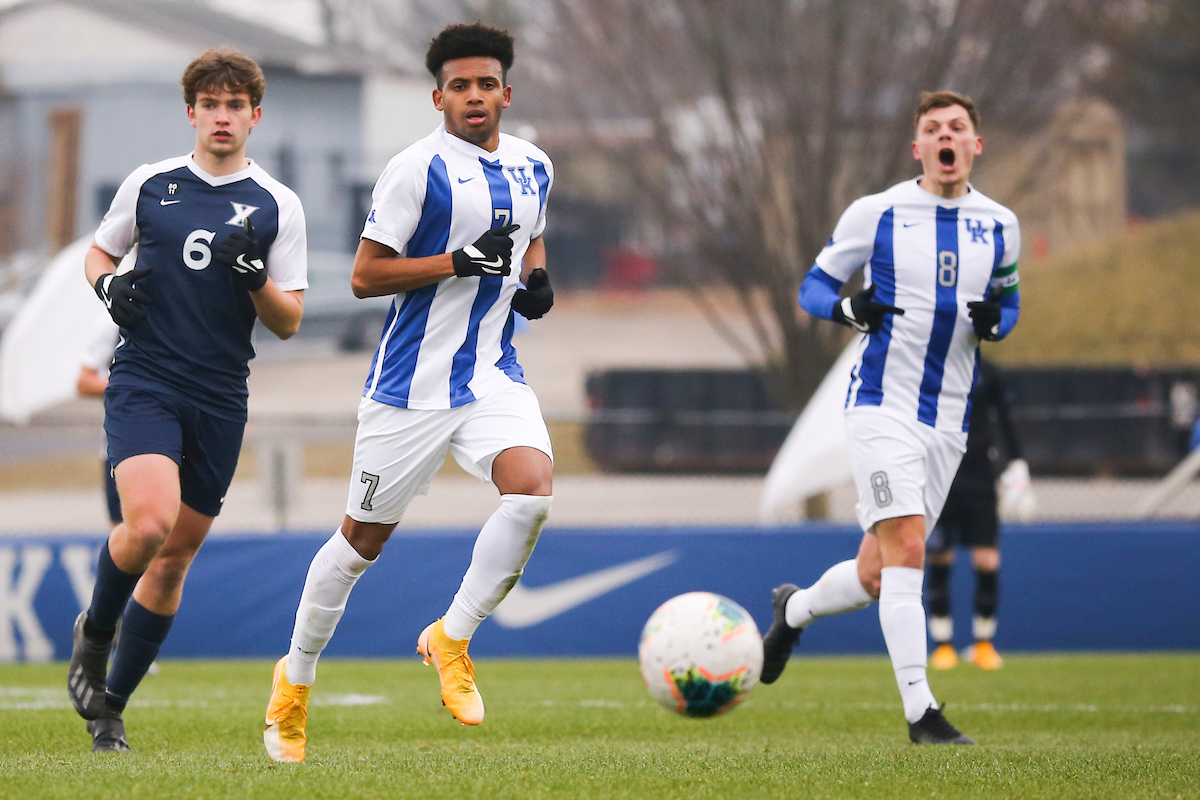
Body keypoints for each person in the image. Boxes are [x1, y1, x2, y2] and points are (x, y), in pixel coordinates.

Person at [262, 22, 556, 763]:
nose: (474, 96)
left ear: (506, 93)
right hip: (409, 390)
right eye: (459, 86)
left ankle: (452, 637)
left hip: (490, 373)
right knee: (358, 546)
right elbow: (365, 276)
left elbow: (531, 235)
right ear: (438, 98)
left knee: (531, 492)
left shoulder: (534, 165)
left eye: (486, 83)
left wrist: (536, 277)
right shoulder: (415, 170)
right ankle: (294, 682)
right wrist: (456, 261)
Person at [761, 91, 1021, 745]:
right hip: (881, 406)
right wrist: (847, 310)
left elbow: (1009, 304)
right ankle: (921, 713)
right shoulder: (877, 213)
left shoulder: (1000, 225)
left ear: (975, 145)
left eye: (957, 127)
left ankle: (793, 610)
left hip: (949, 420)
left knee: (878, 573)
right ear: (918, 148)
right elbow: (814, 287)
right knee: (909, 546)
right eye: (933, 128)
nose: (945, 136)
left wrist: (999, 321)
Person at [68, 48, 308, 754]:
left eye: (235, 105)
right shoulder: (151, 184)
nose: (222, 116)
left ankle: (110, 711)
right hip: (146, 379)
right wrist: (108, 287)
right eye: (210, 104)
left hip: (221, 395)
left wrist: (255, 278)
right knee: (148, 525)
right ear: (191, 112)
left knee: (173, 560)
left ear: (255, 116)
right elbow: (99, 253)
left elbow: (289, 320)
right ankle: (96, 632)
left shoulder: (278, 204)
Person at [927, 357, 1030, 671]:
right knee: (940, 557)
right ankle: (942, 646)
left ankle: (983, 643)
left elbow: (1005, 419)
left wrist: (1018, 464)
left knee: (986, 560)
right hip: (939, 476)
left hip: (980, 477)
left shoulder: (989, 373)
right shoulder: (930, 365)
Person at [77, 319, 122, 529]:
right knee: (126, 532)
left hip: (183, 443)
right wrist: (133, 387)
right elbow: (84, 382)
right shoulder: (115, 323)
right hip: (122, 444)